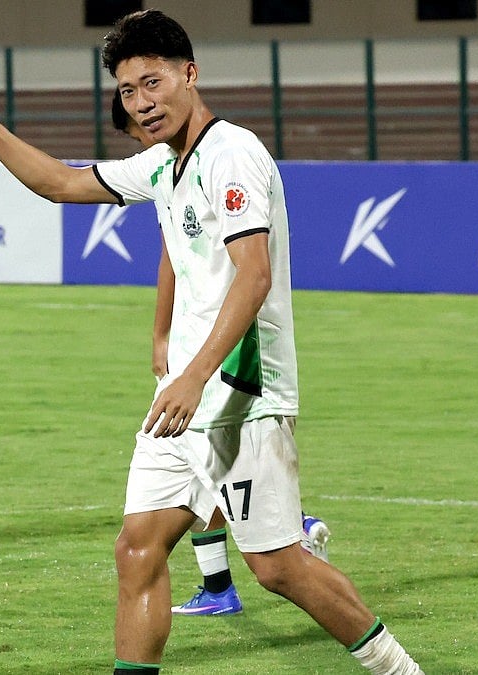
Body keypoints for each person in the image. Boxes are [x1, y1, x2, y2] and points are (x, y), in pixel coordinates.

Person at [0, 10, 421, 674]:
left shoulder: (234, 154)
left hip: (240, 395)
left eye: (152, 82)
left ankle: (401, 669)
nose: (141, 102)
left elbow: (254, 276)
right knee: (137, 546)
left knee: (277, 565)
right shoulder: (163, 165)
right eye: (129, 91)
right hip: (182, 402)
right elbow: (61, 183)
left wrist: (193, 373)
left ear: (189, 74)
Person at [108, 91, 332, 617]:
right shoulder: (167, 168)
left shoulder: (220, 157)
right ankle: (221, 583)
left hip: (225, 365)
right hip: (197, 358)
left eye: (138, 131)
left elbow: (195, 261)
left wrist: (162, 335)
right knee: (175, 498)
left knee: (268, 555)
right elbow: (62, 183)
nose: (142, 135)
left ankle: (268, 545)